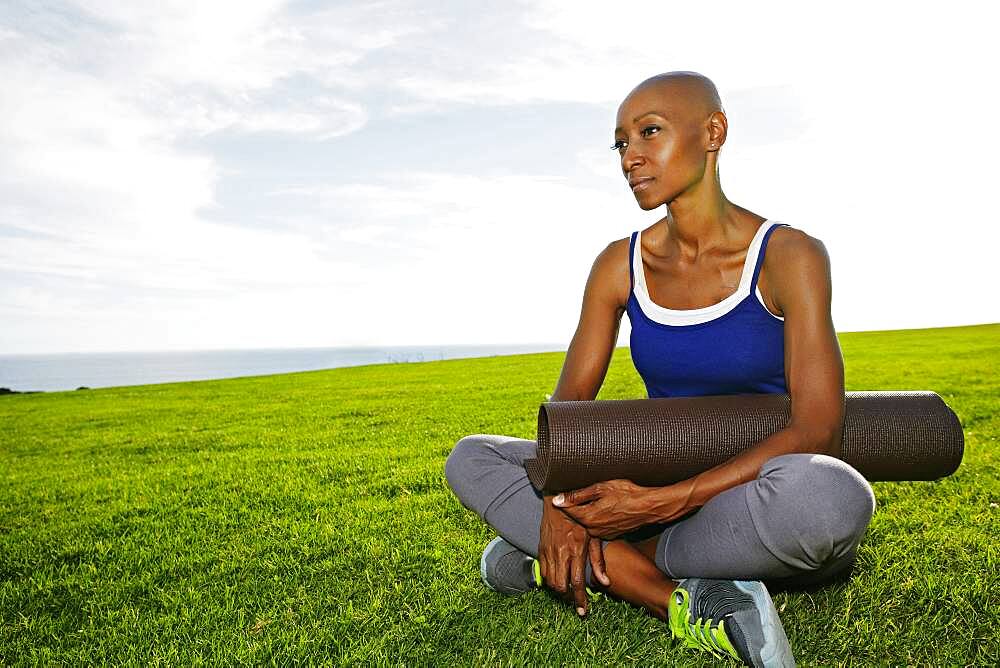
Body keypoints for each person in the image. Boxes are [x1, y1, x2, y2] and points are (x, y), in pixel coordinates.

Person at [444, 71, 876, 667]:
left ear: (714, 132)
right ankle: (677, 597)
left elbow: (817, 428)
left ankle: (559, 564)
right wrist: (559, 511)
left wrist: (662, 504)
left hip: (744, 498)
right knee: (473, 456)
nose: (631, 157)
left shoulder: (789, 255)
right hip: (645, 492)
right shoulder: (616, 266)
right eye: (621, 143)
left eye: (650, 132)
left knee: (831, 497)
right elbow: (564, 420)